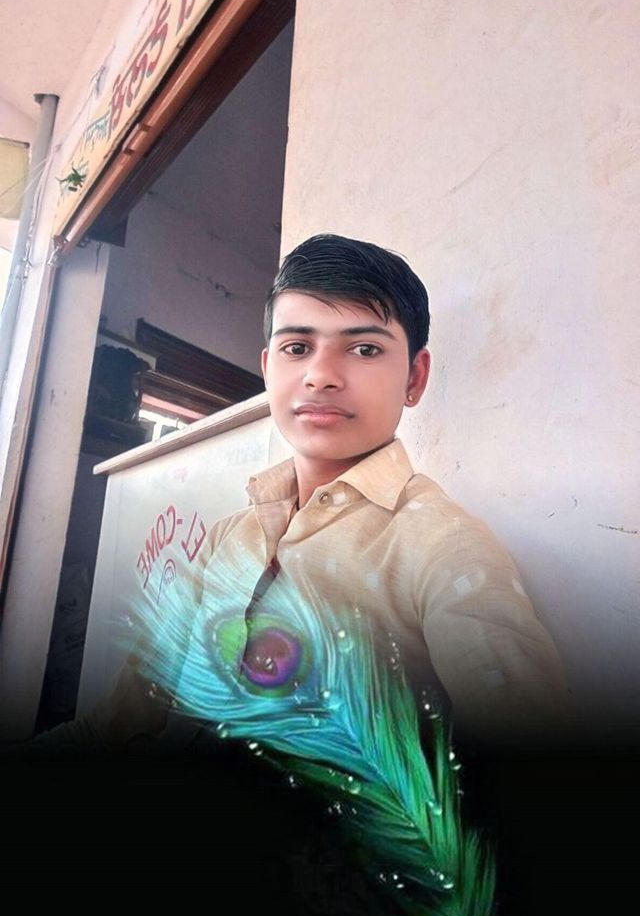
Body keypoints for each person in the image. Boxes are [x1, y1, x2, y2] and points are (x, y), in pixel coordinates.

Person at [14, 232, 571, 761]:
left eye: (364, 349)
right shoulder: (227, 537)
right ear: (268, 369)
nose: (320, 375)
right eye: (297, 347)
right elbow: (120, 719)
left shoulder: (441, 547)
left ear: (414, 378)